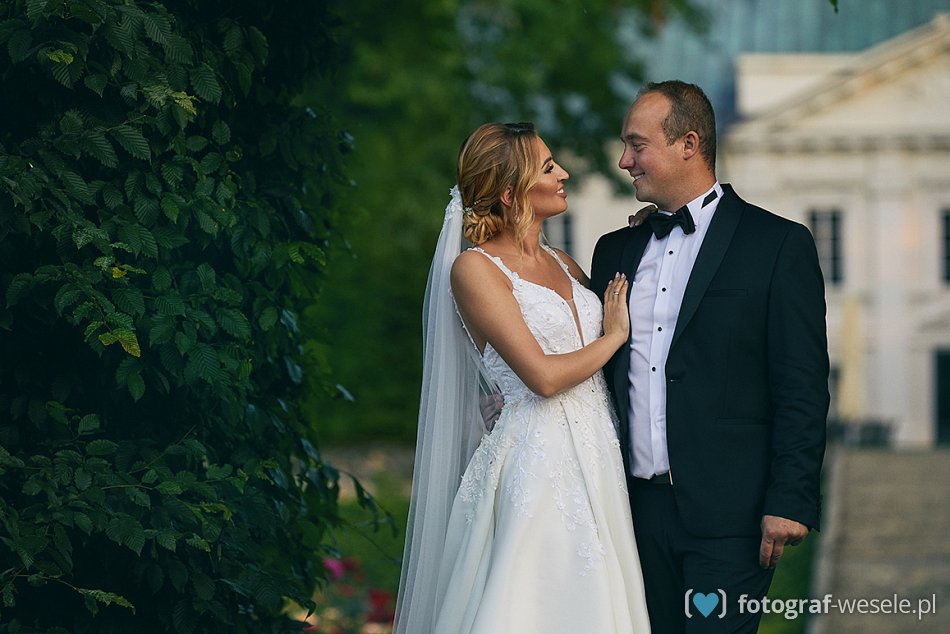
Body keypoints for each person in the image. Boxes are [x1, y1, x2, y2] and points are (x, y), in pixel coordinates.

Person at [590, 80, 830, 633]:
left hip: (732, 516)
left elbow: (801, 384)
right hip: (631, 515)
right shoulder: (614, 250)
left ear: (688, 144)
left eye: (636, 145)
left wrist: (791, 498)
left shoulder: (777, 245)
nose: (624, 161)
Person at [394, 122, 651, 633]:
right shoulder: (475, 270)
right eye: (549, 167)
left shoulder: (566, 264)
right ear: (511, 193)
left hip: (600, 456)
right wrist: (614, 337)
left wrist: (641, 233)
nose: (564, 174)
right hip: (537, 465)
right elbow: (543, 378)